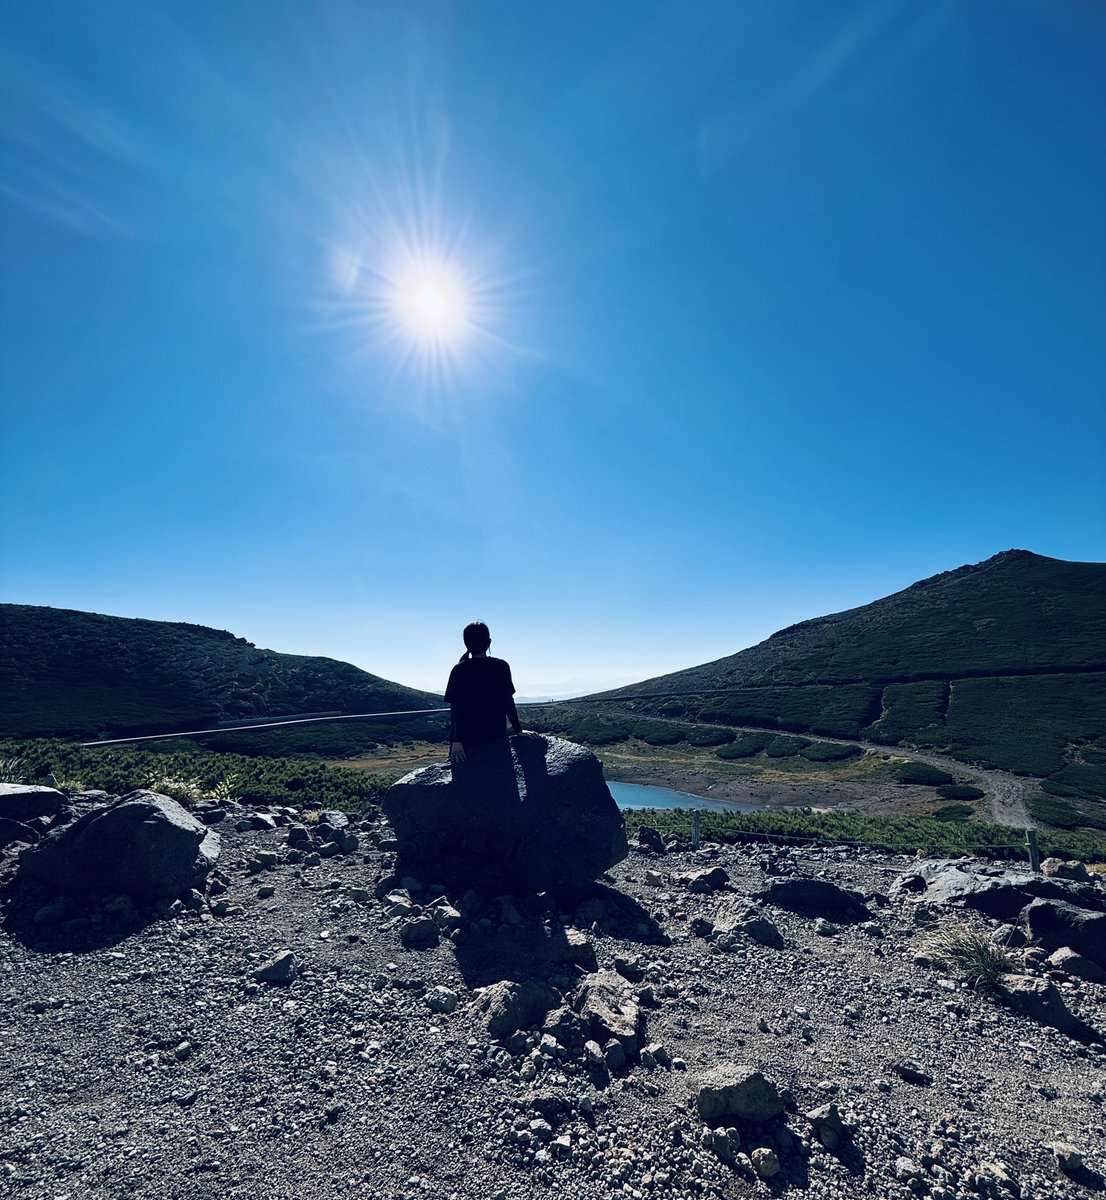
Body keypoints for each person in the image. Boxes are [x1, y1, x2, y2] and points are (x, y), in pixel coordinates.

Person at [444, 621, 522, 763]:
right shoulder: (501, 666)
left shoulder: (459, 670)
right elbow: (508, 702)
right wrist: (519, 730)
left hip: (468, 742)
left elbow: (456, 709)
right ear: (489, 642)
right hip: (497, 737)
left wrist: (456, 741)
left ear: (465, 643)